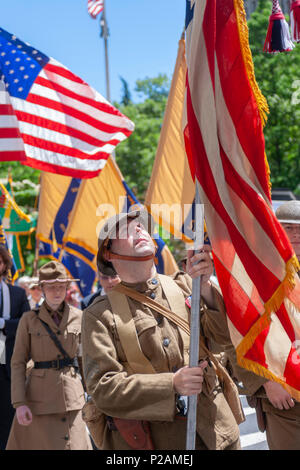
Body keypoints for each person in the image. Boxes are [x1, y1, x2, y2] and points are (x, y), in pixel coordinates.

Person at [81, 209, 243, 451]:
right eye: (126, 229)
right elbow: (103, 389)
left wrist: (206, 286)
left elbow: (225, 339)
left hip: (216, 433)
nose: (138, 230)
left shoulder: (187, 285)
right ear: (108, 253)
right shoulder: (99, 314)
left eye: (141, 227)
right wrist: (172, 384)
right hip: (153, 441)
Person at [224, 199, 300, 450]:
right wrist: (266, 383)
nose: (295, 234)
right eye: (288, 228)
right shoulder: (255, 277)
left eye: (299, 228)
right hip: (285, 399)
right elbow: (237, 337)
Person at [6, 260, 92, 450]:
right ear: (42, 288)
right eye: (51, 287)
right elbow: (18, 362)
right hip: (39, 400)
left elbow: (84, 360)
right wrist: (19, 403)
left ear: (67, 287)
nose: (57, 291)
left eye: (61, 286)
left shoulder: (80, 317)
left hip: (73, 398)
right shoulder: (29, 320)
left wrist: (91, 396)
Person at [0, 246, 30, 450]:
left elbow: (27, 325)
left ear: (4, 264)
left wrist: (3, 324)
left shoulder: (17, 293)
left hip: (8, 369)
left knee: (7, 425)